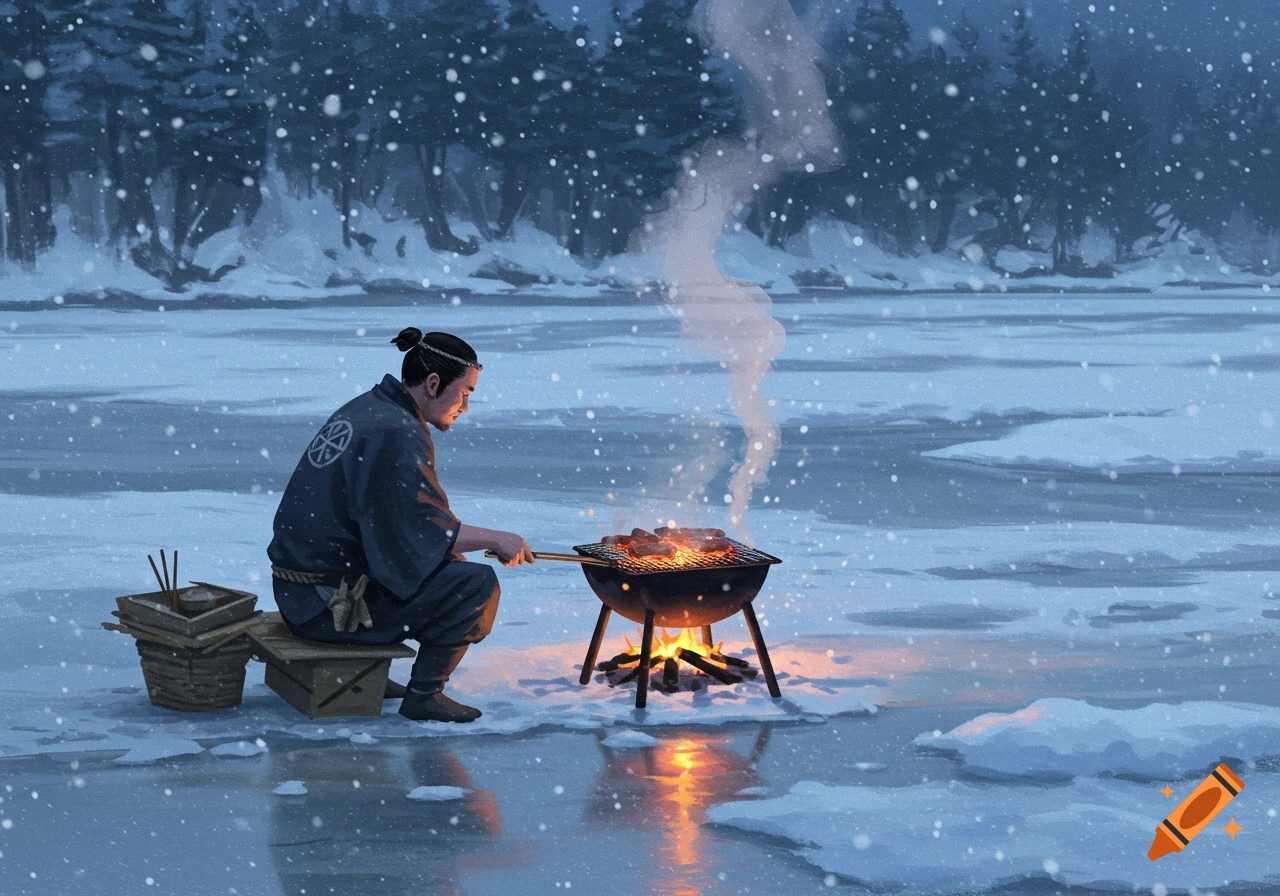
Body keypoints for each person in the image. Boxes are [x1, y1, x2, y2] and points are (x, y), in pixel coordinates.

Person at [267, 328, 533, 723]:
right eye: (464, 393)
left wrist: (455, 548)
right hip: (327, 608)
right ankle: (425, 695)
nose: (464, 406)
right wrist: (499, 538)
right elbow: (424, 530)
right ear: (433, 384)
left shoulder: (370, 407)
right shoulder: (397, 431)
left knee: (449, 563)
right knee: (475, 586)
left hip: (298, 594)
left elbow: (400, 529)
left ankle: (374, 675)